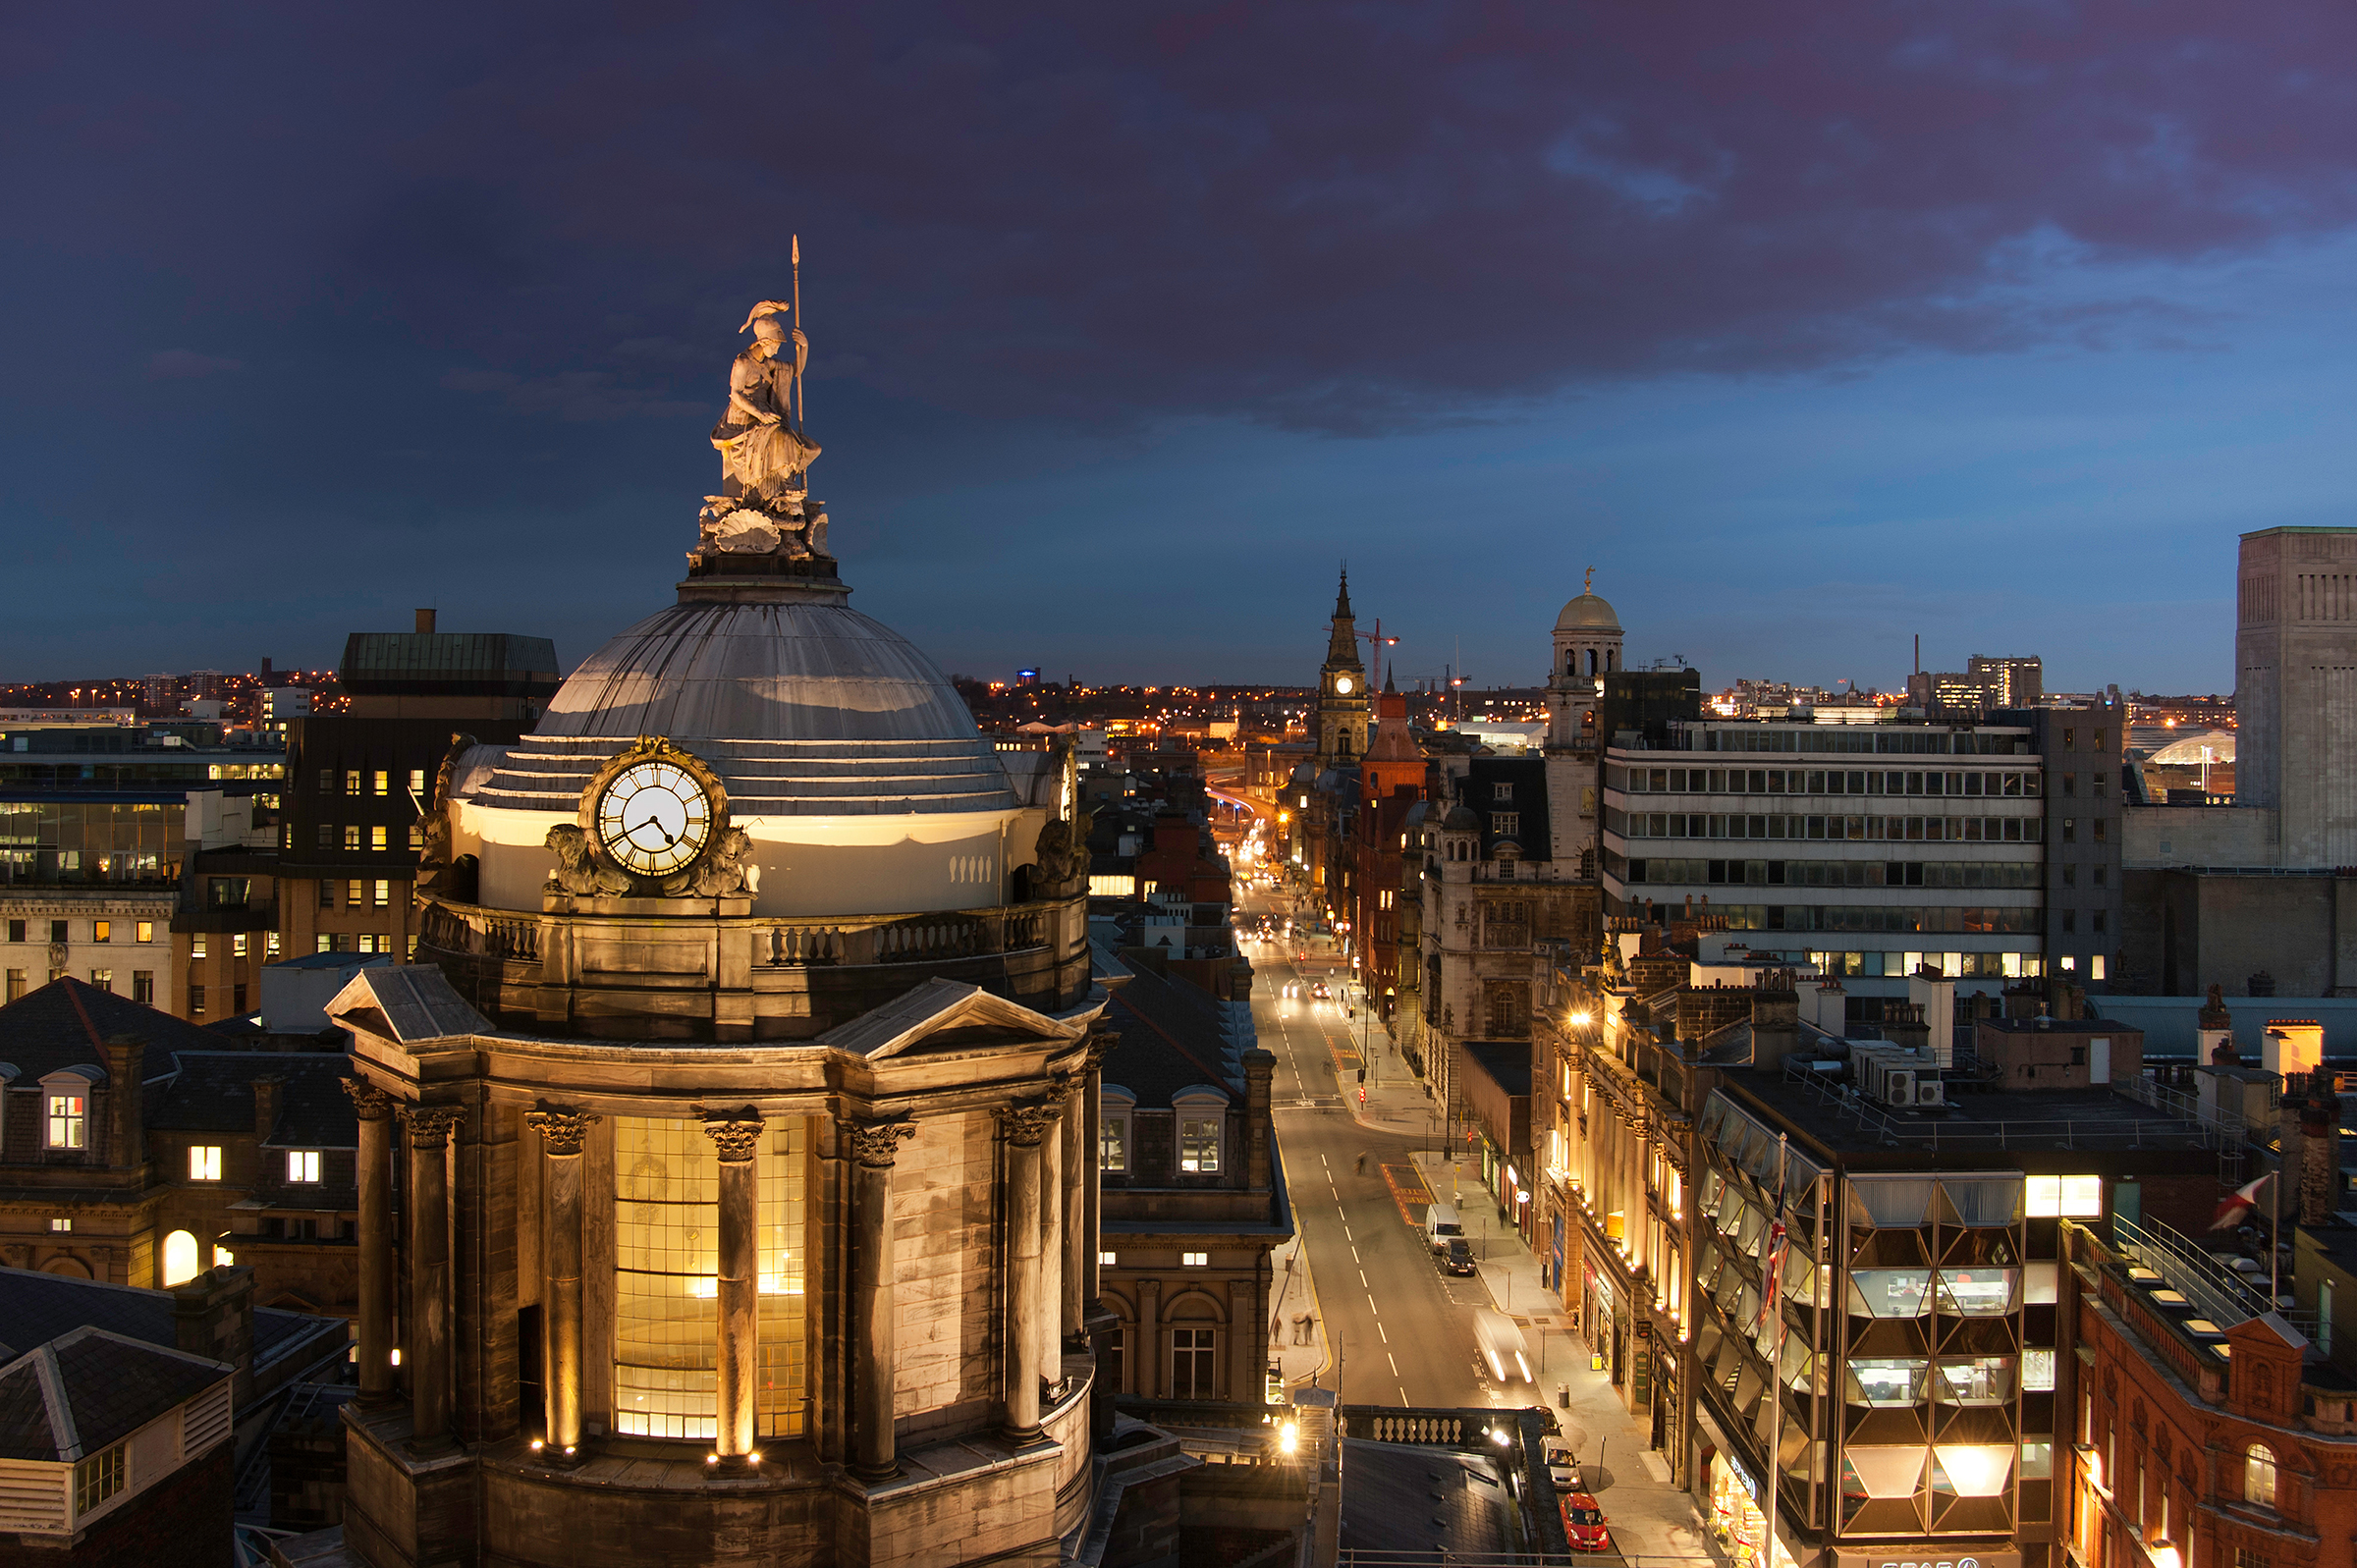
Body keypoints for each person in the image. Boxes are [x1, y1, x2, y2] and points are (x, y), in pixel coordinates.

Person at [712, 300, 820, 504]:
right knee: (778, 435)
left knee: (798, 442)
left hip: (764, 414)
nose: (778, 350)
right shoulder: (743, 362)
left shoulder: (767, 363)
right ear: (765, 341)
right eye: (777, 345)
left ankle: (781, 481)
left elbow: (795, 371)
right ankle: (778, 483)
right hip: (743, 418)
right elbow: (735, 394)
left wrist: (804, 347)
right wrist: (760, 414)